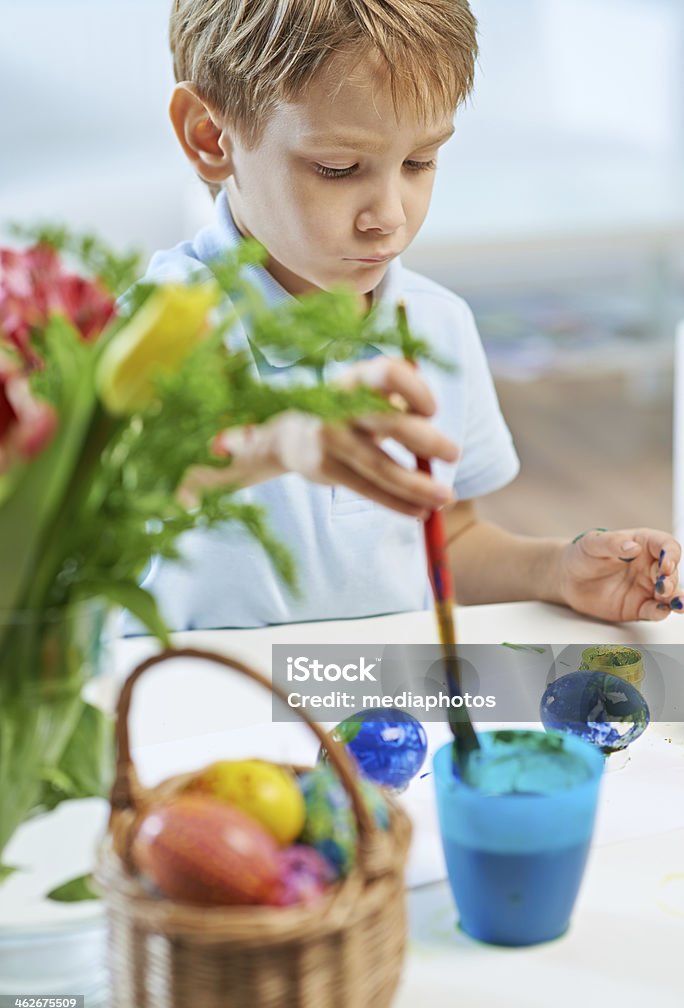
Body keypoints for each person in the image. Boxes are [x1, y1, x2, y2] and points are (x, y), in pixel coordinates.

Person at [131, 0, 681, 631]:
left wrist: (557, 571)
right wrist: (278, 442)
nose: (389, 215)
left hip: (380, 702)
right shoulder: (159, 325)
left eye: (420, 161)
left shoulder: (437, 324)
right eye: (338, 168)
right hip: (203, 711)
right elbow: (116, 496)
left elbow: (447, 541)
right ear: (210, 135)